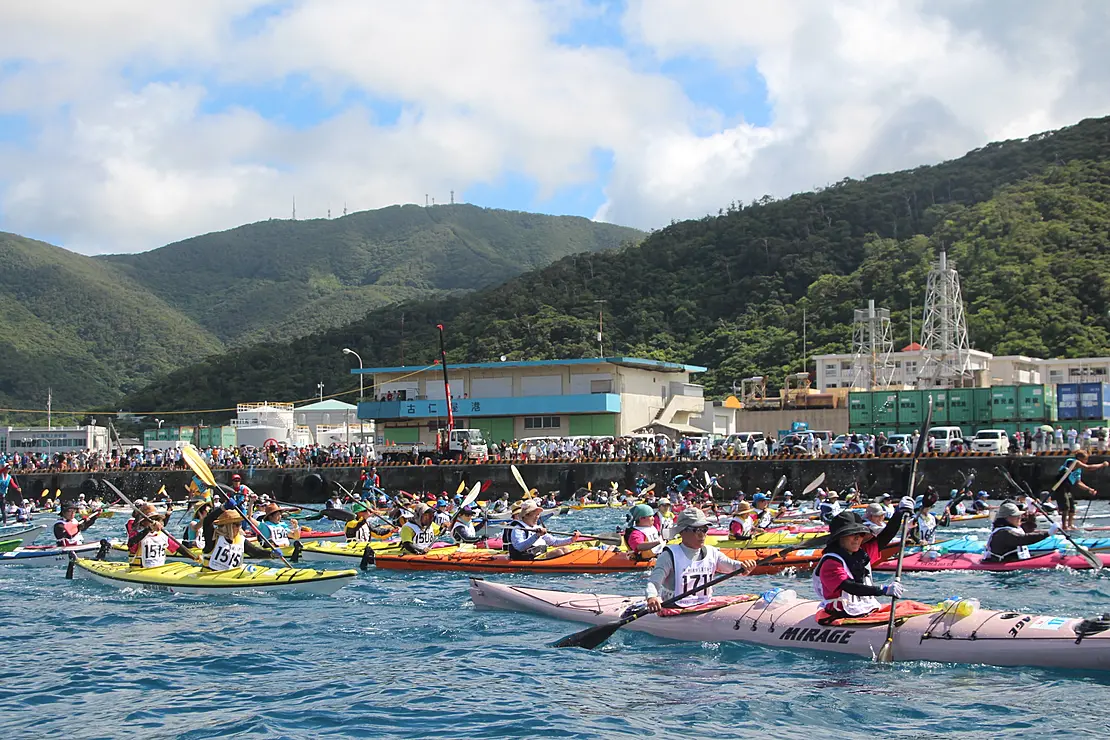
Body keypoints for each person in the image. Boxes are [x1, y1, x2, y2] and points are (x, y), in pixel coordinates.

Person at [645, 508, 756, 611]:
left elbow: (733, 566)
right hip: (676, 607)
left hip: (703, 605)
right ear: (682, 532)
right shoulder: (668, 555)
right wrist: (652, 596)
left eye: (704, 529)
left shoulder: (713, 553)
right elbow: (654, 582)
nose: (702, 535)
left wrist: (744, 566)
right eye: (696, 530)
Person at [812, 507, 911, 621]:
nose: (857, 539)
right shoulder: (831, 562)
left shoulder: (861, 552)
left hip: (866, 607)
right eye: (851, 534)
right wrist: (883, 590)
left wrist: (899, 513)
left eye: (860, 534)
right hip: (841, 612)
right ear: (839, 538)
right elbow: (850, 587)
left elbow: (885, 537)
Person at [983, 501, 1059, 562]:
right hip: (1003, 566)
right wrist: (1048, 533)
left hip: (1015, 560)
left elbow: (1029, 529)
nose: (1020, 517)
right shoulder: (1003, 533)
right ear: (1006, 518)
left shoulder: (1012, 528)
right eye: (1016, 516)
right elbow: (1024, 538)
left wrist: (1031, 512)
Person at [507, 500, 579, 561]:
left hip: (538, 555)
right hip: (525, 558)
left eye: (538, 514)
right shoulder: (518, 529)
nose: (537, 517)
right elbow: (520, 547)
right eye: (535, 514)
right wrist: (536, 535)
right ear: (526, 515)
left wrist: (572, 539)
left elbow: (554, 542)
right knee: (559, 552)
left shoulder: (537, 527)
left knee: (565, 549)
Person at [1056, 450, 1107, 530]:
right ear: (1080, 458)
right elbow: (1088, 468)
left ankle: (1070, 525)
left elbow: (1078, 483)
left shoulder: (1078, 470)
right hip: (1060, 487)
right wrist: (1102, 465)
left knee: (1072, 507)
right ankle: (1064, 526)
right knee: (1066, 507)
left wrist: (1089, 489)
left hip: (1067, 488)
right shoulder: (1074, 462)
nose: (1086, 461)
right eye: (1085, 459)